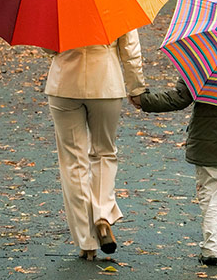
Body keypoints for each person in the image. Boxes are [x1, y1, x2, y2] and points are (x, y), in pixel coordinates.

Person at [44, 29, 147, 261]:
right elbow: (130, 49)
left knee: (73, 162)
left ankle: (86, 240)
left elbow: (48, 47)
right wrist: (137, 88)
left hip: (64, 83)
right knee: (104, 153)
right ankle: (101, 216)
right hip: (105, 82)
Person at [130, 79, 217, 266]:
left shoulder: (202, 63)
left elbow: (179, 98)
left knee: (210, 194)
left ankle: (212, 247)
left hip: (206, 138)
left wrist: (145, 101)